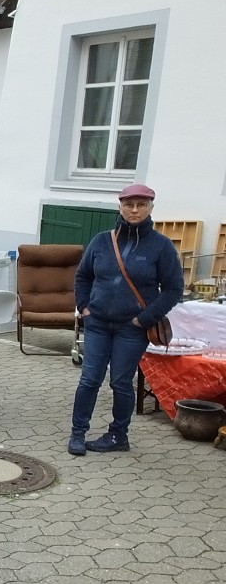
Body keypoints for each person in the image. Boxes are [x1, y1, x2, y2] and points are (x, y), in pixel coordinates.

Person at [68, 183, 183, 455]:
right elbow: (83, 276)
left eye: (141, 204)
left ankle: (118, 435)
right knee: (89, 380)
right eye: (129, 204)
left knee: (120, 382)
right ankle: (77, 433)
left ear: (151, 208)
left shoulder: (161, 246)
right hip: (97, 324)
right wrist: (84, 306)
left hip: (131, 329)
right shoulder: (101, 241)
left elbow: (173, 289)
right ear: (120, 206)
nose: (134, 209)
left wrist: (145, 319)